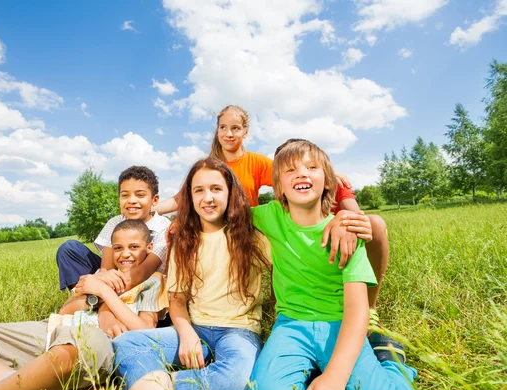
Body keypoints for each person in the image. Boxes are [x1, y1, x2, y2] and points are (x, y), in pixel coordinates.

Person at [155, 104, 387, 315]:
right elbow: (182, 199)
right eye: (223, 127)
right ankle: (170, 304)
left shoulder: (258, 162)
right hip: (232, 224)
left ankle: (361, 307)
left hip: (254, 226)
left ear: (245, 132)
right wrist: (154, 209)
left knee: (282, 244)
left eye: (235, 128)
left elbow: (293, 176)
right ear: (217, 130)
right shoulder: (210, 166)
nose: (228, 133)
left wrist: (333, 185)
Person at [0, 220, 167, 390]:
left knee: (79, 342)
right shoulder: (100, 274)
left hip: (88, 344)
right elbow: (65, 309)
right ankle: (26, 387)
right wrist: (94, 291)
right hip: (51, 331)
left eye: (134, 247)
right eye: (119, 248)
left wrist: (106, 294)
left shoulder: (153, 281)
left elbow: (144, 329)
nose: (126, 254)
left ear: (149, 248)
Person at [250, 140, 417, 390]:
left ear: (328, 181)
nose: (301, 173)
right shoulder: (268, 216)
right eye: (290, 170)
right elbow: (223, 210)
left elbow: (357, 309)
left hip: (341, 323)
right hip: (290, 324)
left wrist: (336, 378)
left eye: (311, 167)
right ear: (278, 187)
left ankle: (393, 365)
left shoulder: (347, 232)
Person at [112, 158, 271, 390]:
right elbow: (177, 301)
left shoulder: (254, 236)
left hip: (239, 331)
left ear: (231, 192)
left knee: (236, 383)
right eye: (199, 190)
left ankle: (143, 388)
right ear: (190, 197)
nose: (207, 197)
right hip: (195, 327)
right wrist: (187, 335)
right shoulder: (185, 241)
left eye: (216, 189)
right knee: (127, 343)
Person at [56, 166, 171, 295]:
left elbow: (142, 272)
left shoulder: (164, 227)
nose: (132, 201)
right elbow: (107, 268)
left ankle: (90, 296)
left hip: (149, 283)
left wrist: (98, 285)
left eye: (140, 195)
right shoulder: (115, 222)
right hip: (116, 275)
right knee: (69, 249)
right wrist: (101, 277)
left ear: (154, 200)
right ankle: (84, 296)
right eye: (125, 195)